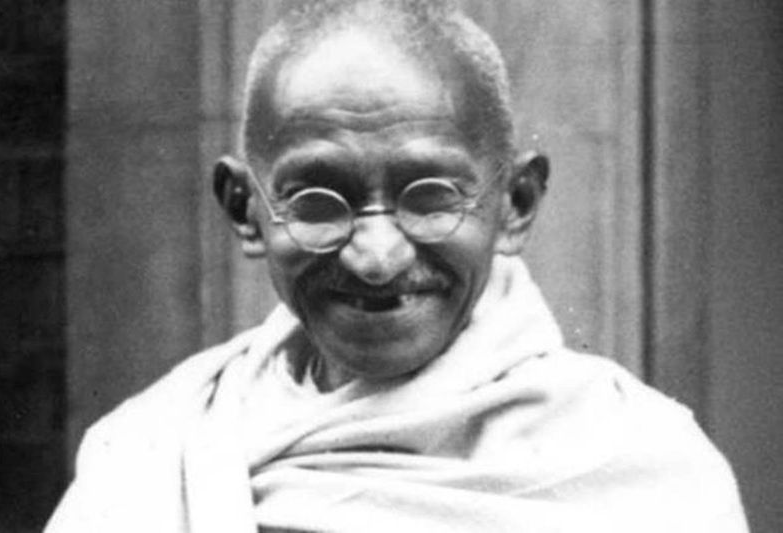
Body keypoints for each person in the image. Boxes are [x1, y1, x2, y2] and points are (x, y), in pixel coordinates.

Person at [45, 1, 748, 531]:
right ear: (244, 209)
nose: (377, 258)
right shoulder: (152, 448)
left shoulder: (636, 466)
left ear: (515, 204)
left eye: (432, 198)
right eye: (318, 201)